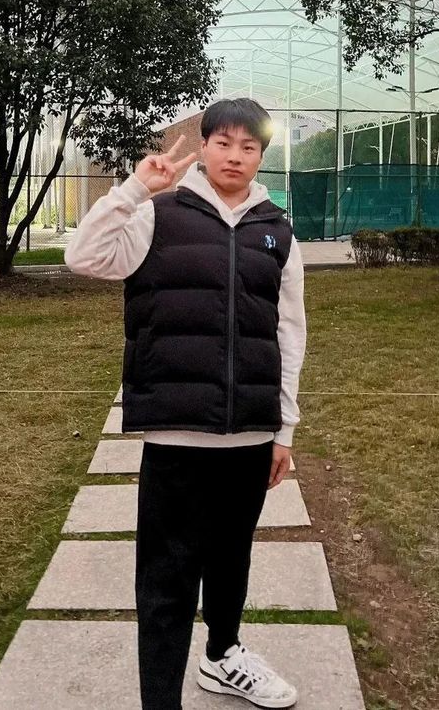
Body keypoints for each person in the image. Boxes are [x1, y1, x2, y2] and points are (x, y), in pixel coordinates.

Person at [65, 99, 306, 710]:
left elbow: (289, 332)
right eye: (224, 143)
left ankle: (223, 657)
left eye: (249, 147)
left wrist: (283, 429)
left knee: (231, 559)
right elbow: (83, 257)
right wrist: (133, 190)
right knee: (166, 581)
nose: (235, 156)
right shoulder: (158, 214)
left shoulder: (277, 230)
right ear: (203, 147)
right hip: (177, 436)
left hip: (250, 434)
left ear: (261, 155)